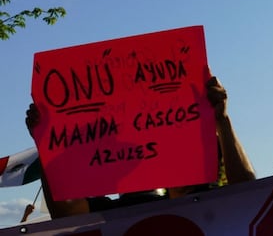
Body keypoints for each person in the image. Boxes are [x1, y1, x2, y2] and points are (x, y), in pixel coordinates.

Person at [26, 75, 255, 217]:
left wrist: (222, 122)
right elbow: (66, 212)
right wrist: (48, 144)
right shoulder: (120, 214)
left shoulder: (208, 207)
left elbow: (247, 192)